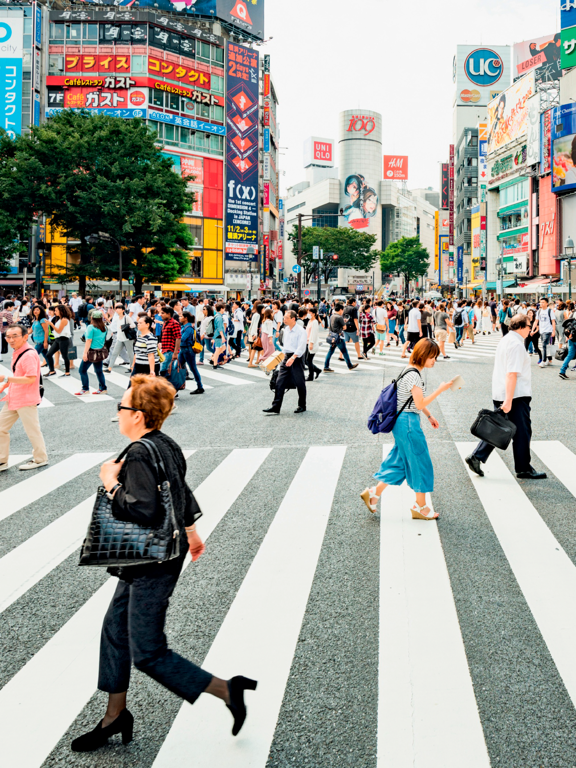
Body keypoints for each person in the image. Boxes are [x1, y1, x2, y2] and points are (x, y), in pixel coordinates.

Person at [71, 376, 257, 753]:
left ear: (137, 416)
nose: (118, 414)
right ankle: (114, 715)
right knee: (115, 630)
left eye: (120, 408)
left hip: (151, 561)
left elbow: (143, 507)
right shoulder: (164, 444)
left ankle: (226, 690)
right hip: (154, 555)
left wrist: (110, 483)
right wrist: (191, 531)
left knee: (149, 653)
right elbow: (179, 491)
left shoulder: (139, 452)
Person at [360, 339, 453, 519]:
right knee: (420, 462)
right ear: (423, 355)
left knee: (400, 461)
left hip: (403, 422)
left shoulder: (409, 369)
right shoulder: (414, 375)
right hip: (408, 424)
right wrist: (440, 389)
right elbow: (418, 402)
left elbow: (409, 400)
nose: (434, 360)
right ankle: (421, 507)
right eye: (432, 357)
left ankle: (373, 494)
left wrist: (428, 415)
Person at [465, 314, 546, 480]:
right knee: (522, 432)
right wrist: (508, 400)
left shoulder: (506, 339)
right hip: (514, 395)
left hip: (503, 392)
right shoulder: (516, 344)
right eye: (529, 326)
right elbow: (512, 374)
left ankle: (477, 456)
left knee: (499, 427)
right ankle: (523, 468)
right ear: (521, 326)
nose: (530, 329)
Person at [0, 323, 48, 471]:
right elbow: (19, 375)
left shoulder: (28, 354)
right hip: (14, 397)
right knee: (1, 428)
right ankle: (2, 461)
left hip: (26, 399)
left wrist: (6, 379)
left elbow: (30, 378)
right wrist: (6, 385)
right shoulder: (18, 351)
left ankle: (40, 459)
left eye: (15, 336)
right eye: (8, 336)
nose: (11, 339)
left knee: (32, 430)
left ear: (25, 336)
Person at [263, 310, 308, 414]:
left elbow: (301, 347)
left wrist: (293, 358)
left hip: (296, 357)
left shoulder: (301, 331)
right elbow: (286, 346)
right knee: (279, 382)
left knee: (299, 382)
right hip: (286, 356)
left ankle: (302, 405)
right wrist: (281, 357)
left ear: (293, 319)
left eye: (286, 318)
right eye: (284, 318)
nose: (284, 320)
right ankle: (276, 407)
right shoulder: (286, 329)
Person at [76, 310, 108, 396]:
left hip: (91, 351)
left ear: (91, 317)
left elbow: (89, 340)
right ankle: (103, 388)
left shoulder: (91, 327)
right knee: (98, 371)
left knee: (82, 370)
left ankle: (85, 388)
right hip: (100, 351)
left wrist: (85, 353)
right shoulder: (104, 327)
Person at [323, 303, 359, 373]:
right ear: (340, 309)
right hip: (338, 337)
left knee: (330, 351)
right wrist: (344, 323)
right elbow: (345, 328)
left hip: (333, 336)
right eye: (342, 310)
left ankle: (326, 366)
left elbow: (331, 326)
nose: (342, 312)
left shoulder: (332, 316)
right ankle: (350, 365)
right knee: (344, 351)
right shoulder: (339, 317)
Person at [179, 312, 204, 395]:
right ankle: (176, 386)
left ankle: (200, 387)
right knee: (177, 367)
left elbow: (182, 339)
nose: (179, 317)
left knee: (193, 368)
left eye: (181, 316)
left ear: (185, 318)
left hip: (188, 350)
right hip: (183, 349)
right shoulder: (185, 327)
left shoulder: (188, 328)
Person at [45, 304, 72, 377]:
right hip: (58, 339)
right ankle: (52, 370)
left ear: (61, 311)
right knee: (49, 354)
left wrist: (51, 324)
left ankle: (67, 372)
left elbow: (59, 330)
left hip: (63, 339)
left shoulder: (64, 319)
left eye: (56, 310)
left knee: (64, 356)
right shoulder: (60, 319)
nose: (55, 312)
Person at [106, 304, 135, 372]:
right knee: (114, 353)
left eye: (119, 308)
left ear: (123, 310)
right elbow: (116, 327)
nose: (117, 310)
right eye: (116, 309)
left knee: (130, 353)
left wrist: (125, 327)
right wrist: (114, 332)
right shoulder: (116, 318)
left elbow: (133, 325)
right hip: (119, 338)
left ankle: (132, 368)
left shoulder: (126, 317)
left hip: (127, 338)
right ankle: (109, 368)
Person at [159, 306, 181, 377]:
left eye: (163, 313)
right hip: (164, 350)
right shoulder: (165, 323)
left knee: (163, 369)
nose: (161, 315)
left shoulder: (174, 323)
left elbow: (178, 338)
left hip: (170, 350)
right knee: (163, 370)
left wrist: (175, 352)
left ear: (168, 314)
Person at [534, 297, 556, 367]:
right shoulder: (539, 311)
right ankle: (549, 360)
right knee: (546, 346)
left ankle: (543, 361)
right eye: (540, 302)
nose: (541, 303)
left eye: (543, 302)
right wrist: (532, 330)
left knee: (544, 345)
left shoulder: (550, 311)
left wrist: (553, 331)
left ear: (547, 303)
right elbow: (536, 321)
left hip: (548, 330)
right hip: (541, 331)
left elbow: (553, 321)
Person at [305, 306, 322, 381]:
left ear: (314, 314)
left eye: (310, 313)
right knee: (306, 360)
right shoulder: (309, 321)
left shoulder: (315, 322)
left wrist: (311, 343)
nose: (308, 314)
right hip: (307, 342)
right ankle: (317, 370)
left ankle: (311, 376)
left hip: (311, 343)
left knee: (308, 360)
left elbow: (313, 334)